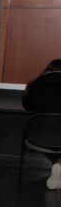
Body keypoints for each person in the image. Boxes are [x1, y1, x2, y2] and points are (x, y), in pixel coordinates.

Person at [22, 59, 61, 189]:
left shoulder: (35, 84)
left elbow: (27, 106)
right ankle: (59, 164)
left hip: (38, 136)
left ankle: (58, 166)